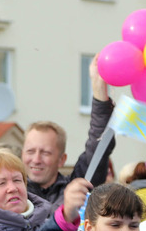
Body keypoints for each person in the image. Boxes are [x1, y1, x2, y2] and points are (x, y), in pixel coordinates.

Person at [23, 62, 114, 208]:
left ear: (62, 160)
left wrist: (99, 94)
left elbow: (99, 146)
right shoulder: (12, 192)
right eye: (30, 151)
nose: (36, 159)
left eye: (45, 153)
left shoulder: (76, 189)